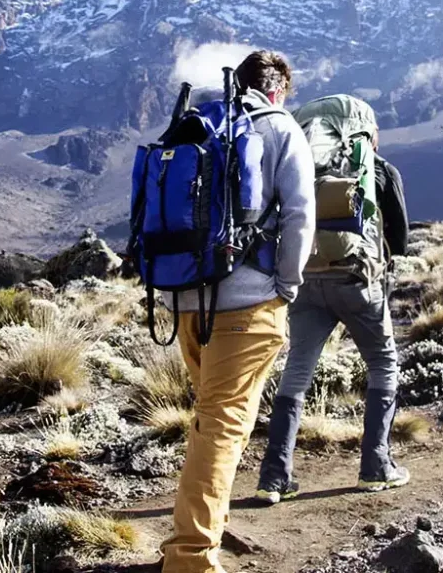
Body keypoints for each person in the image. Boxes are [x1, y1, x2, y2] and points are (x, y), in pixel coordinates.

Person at [159, 50, 316, 573]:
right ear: (279, 90)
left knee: (210, 423)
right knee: (222, 427)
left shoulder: (201, 122)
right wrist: (287, 287)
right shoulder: (280, 127)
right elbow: (299, 216)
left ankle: (202, 534)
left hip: (186, 301)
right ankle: (190, 558)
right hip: (248, 307)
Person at [256, 101, 410, 505]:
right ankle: (376, 467)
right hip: (358, 281)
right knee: (382, 362)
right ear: (365, 132)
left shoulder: (301, 164)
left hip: (307, 279)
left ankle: (274, 477)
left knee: (297, 371)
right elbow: (402, 238)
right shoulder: (377, 168)